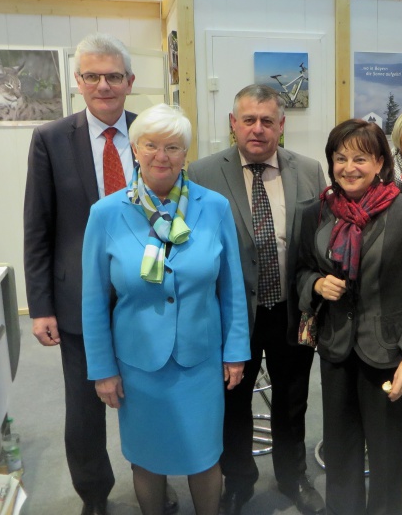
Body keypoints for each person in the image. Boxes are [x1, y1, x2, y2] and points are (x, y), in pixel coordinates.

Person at [24, 33, 182, 515]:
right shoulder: (51, 139)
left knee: (151, 399)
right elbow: (38, 225)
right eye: (92, 76)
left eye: (114, 76)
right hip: (78, 301)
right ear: (78, 82)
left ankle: (156, 481)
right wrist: (41, 305)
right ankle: (94, 495)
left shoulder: (151, 135)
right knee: (85, 409)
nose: (104, 85)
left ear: (130, 81)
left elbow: (175, 209)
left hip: (143, 296)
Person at [82, 104, 250, 515]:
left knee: (204, 455)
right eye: (151, 145)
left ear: (185, 154)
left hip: (200, 358)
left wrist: (236, 352)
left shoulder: (214, 207)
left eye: (173, 147)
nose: (162, 156)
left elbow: (231, 288)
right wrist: (103, 370)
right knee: (148, 458)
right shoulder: (105, 214)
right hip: (139, 364)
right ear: (135, 150)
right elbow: (92, 300)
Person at [188, 85, 326, 515]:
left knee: (292, 399)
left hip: (290, 308)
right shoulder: (202, 173)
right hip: (231, 313)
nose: (258, 129)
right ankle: (239, 480)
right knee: (233, 401)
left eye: (268, 120)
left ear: (281, 126)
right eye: (248, 119)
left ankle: (292, 476)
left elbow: (317, 240)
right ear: (233, 123)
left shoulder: (308, 170)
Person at [296, 119, 402, 515]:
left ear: (379, 162)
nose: (349, 167)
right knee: (340, 452)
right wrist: (315, 284)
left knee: (387, 456)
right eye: (340, 158)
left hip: (390, 353)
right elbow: (301, 270)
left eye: (360, 158)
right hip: (336, 350)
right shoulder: (316, 211)